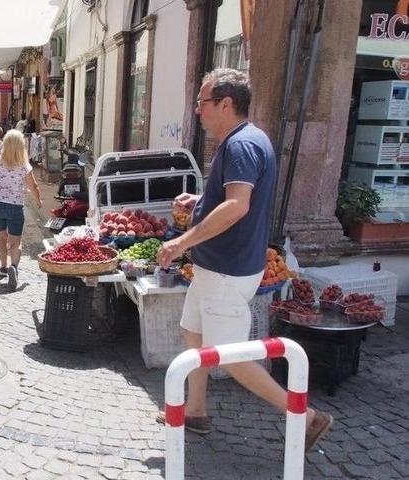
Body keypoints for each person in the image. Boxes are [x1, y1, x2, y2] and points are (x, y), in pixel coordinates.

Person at [156, 68, 332, 453]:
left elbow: (237, 206)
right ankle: (196, 410)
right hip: (217, 265)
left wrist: (182, 241)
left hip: (227, 269)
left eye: (202, 103)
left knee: (232, 357)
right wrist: (200, 203)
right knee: (194, 334)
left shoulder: (241, 145)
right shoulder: (244, 141)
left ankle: (306, 416)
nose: (198, 111)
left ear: (226, 103)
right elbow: (229, 200)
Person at [0, 129, 43, 291]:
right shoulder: (24, 165)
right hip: (15, 206)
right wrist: (38, 200)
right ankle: (13, 268)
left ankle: (3, 267)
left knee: (1, 238)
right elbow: (33, 186)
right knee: (16, 241)